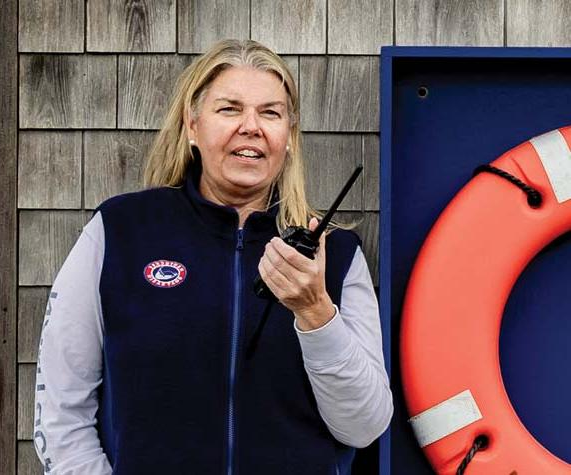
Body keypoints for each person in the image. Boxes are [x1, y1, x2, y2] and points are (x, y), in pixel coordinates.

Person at [33, 39, 393, 475]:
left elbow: (364, 425)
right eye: (229, 109)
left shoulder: (334, 254)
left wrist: (316, 312)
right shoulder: (120, 231)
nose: (251, 127)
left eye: (270, 113)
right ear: (191, 126)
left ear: (290, 137)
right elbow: (61, 409)